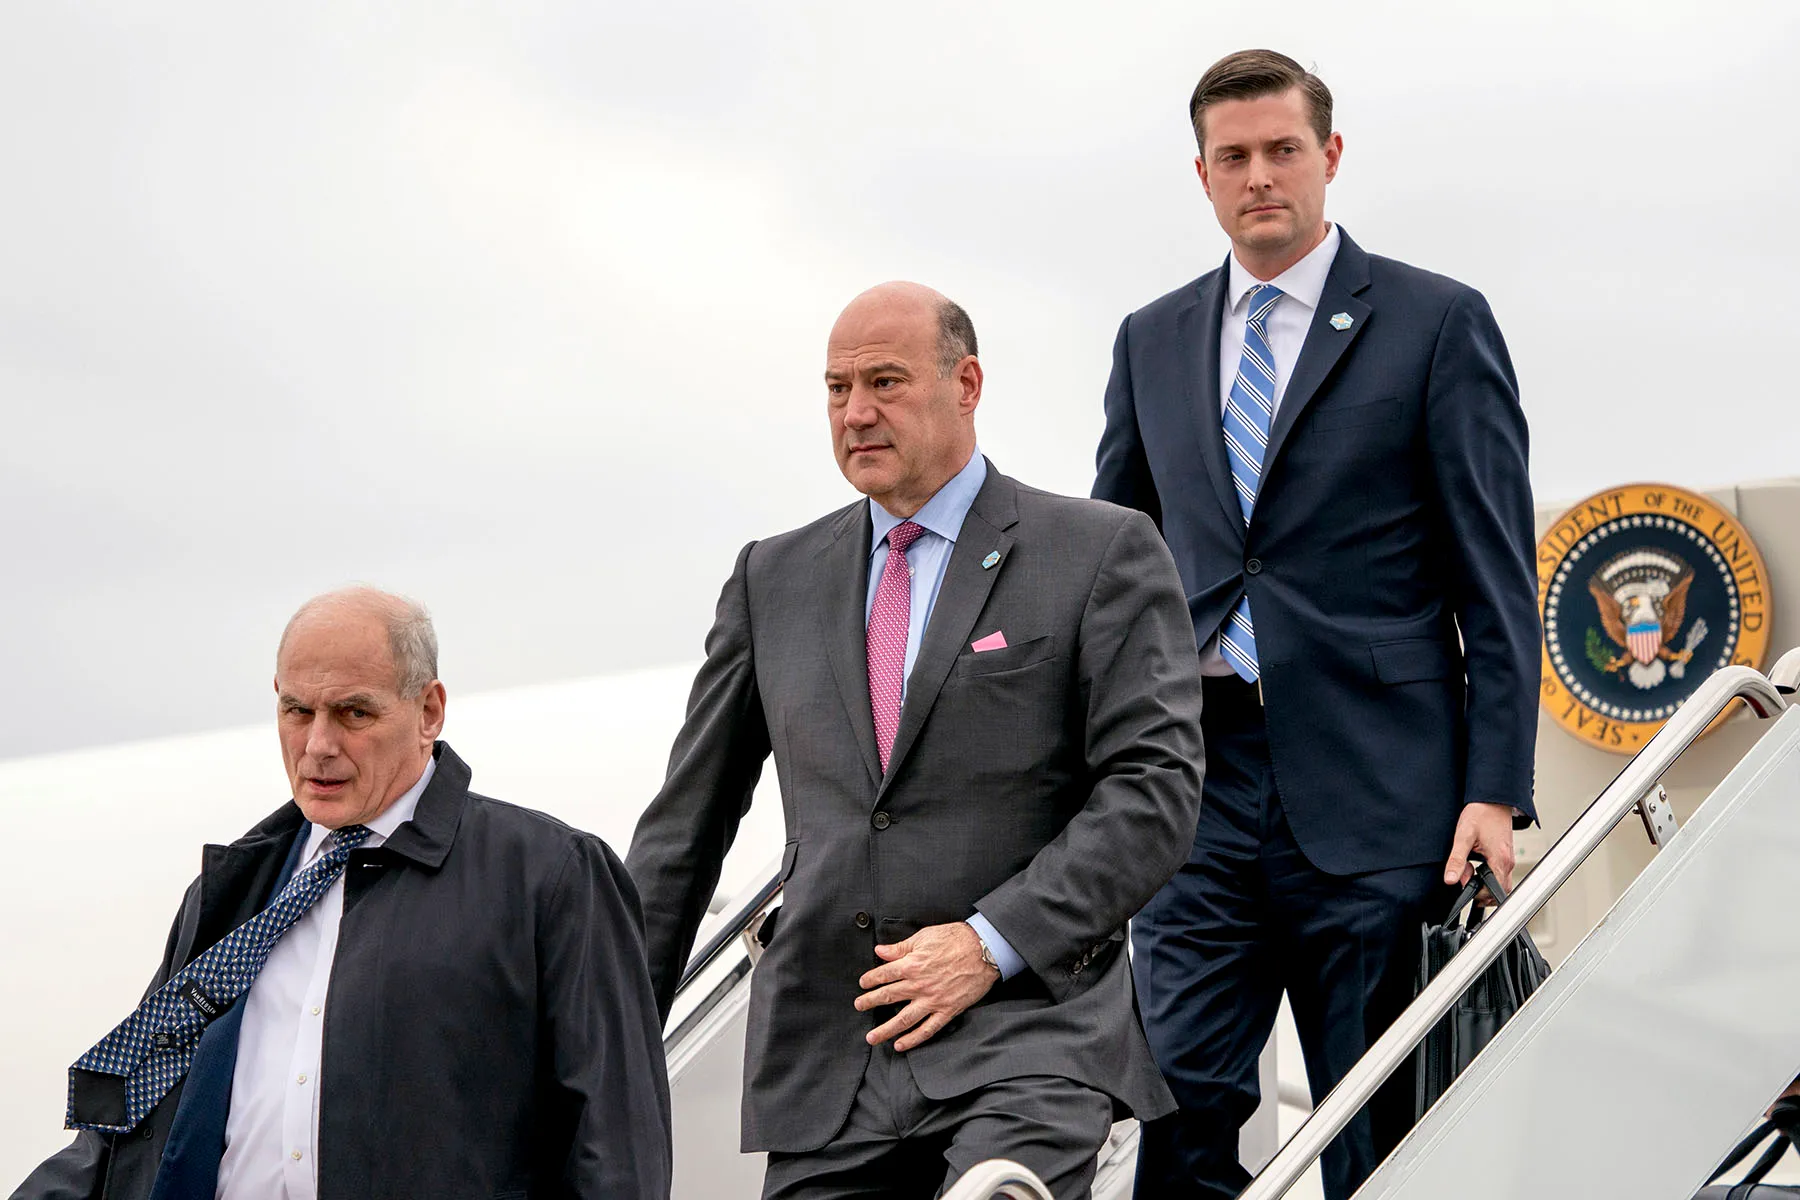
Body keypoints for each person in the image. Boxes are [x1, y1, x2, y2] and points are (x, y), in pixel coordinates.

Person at [627, 281, 1205, 1199]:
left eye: (886, 383)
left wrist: (987, 943)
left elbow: (1154, 792)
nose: (855, 412)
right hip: (831, 1066)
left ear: (966, 383)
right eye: (835, 389)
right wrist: (599, 1047)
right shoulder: (768, 579)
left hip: (1026, 1040)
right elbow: (680, 838)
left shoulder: (1099, 552)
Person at [1093, 50, 1539, 1200]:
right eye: (1232, 157)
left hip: (1382, 799)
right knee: (1178, 1104)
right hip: (1195, 796)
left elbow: (1494, 575)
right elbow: (1116, 569)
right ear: (1200, 174)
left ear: (1329, 158)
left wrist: (1496, 785)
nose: (1259, 176)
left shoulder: (1437, 322)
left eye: (1282, 150)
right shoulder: (1150, 340)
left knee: (1378, 1130)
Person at [13, 588, 672, 1200]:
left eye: (354, 712)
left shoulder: (551, 875)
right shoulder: (235, 891)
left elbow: (615, 1154)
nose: (318, 745)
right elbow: (126, 1122)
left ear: (428, 711)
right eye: (297, 710)